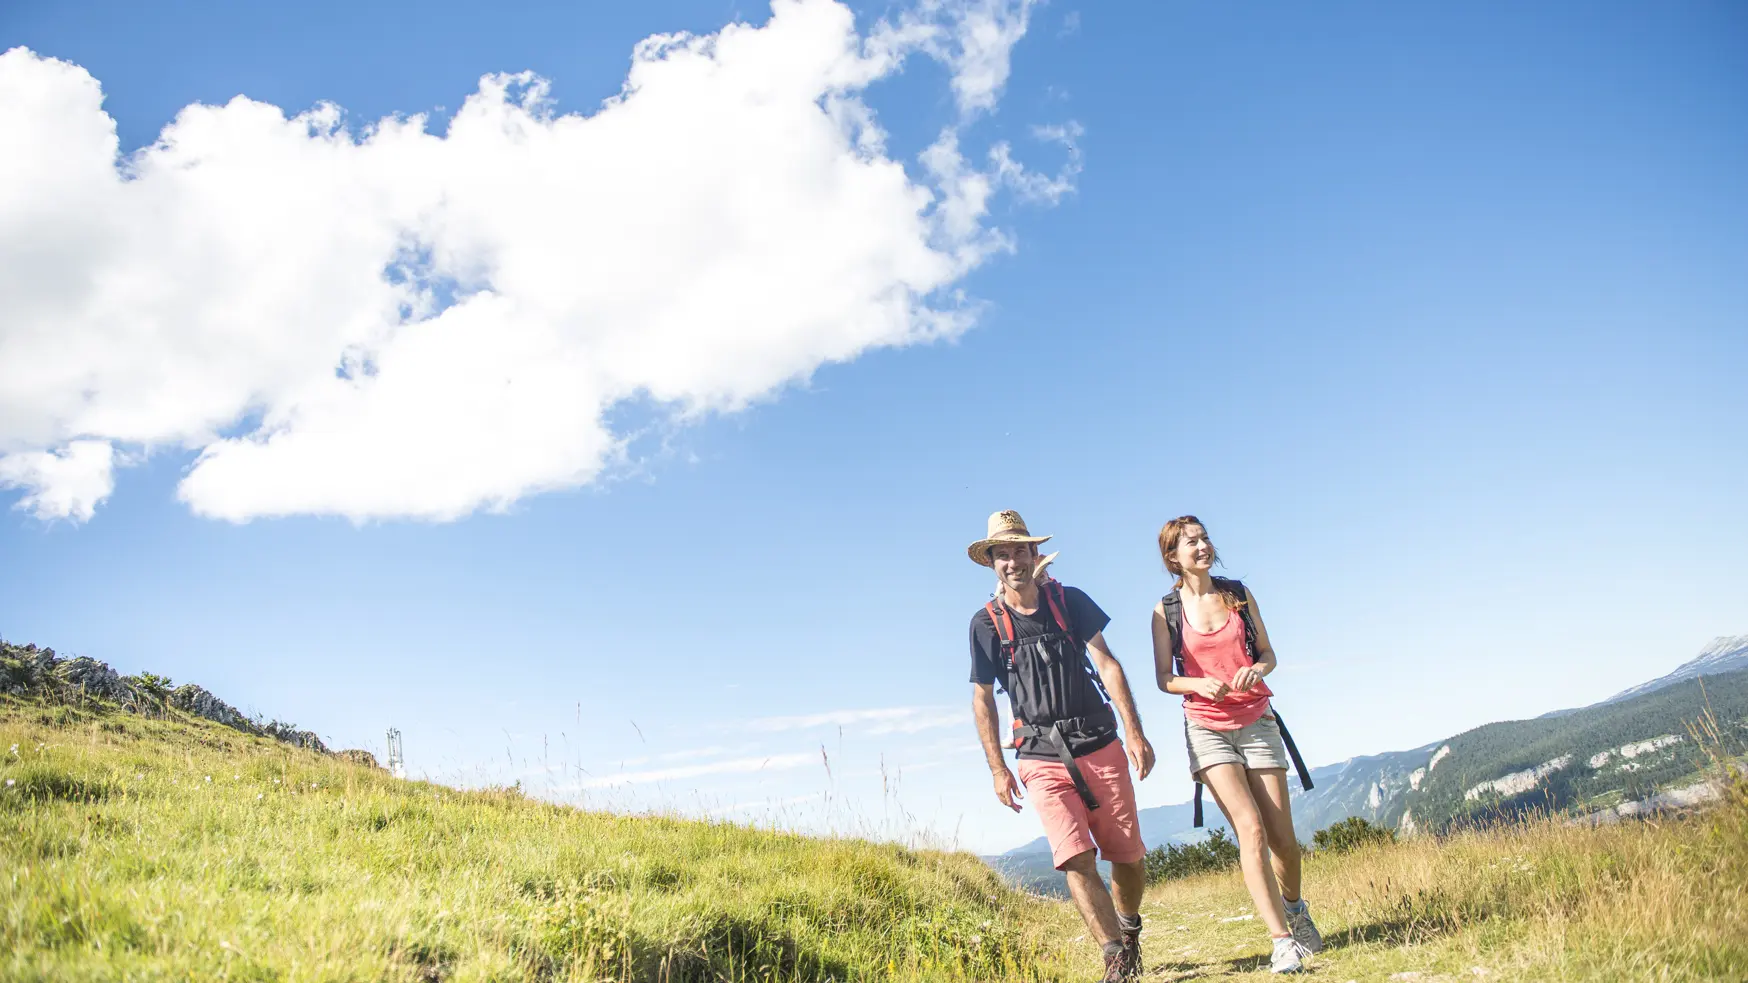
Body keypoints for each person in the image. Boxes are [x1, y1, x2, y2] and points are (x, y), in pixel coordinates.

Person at [966, 510, 1155, 982]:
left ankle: (1128, 929)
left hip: (1099, 742)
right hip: (1038, 754)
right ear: (992, 563)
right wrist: (996, 767)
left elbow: (1107, 663)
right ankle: (1115, 959)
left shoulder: (1071, 601)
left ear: (1035, 554)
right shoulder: (985, 624)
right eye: (1002, 554)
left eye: (1019, 551)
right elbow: (982, 699)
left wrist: (1134, 729)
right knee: (1074, 856)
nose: (1012, 561)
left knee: (1127, 856)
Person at [1151, 515, 1323, 974]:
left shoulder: (1237, 595)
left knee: (1284, 841)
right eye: (1191, 542)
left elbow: (1268, 654)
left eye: (1205, 538)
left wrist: (1257, 671)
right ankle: (1282, 941)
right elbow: (1164, 679)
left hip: (1257, 720)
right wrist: (1198, 684)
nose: (1202, 546)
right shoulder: (1165, 612)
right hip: (1206, 726)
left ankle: (1296, 911)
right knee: (1250, 829)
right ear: (1173, 556)